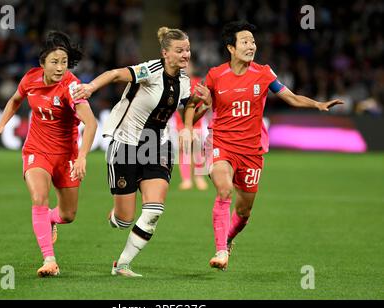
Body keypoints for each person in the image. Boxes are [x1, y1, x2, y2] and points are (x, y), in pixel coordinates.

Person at [187, 21, 344, 271]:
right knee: (224, 190)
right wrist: (203, 105)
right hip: (221, 142)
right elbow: (194, 117)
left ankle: (227, 240)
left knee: (245, 210)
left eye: (253, 41)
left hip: (251, 150)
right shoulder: (215, 75)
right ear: (231, 47)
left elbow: (290, 97)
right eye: (245, 41)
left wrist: (317, 104)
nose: (252, 45)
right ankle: (220, 251)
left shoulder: (264, 73)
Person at [73, 27, 210, 277]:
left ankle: (122, 264)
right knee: (124, 220)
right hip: (125, 143)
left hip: (156, 145)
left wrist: (194, 118)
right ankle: (117, 214)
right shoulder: (150, 70)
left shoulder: (185, 81)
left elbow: (188, 105)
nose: (186, 55)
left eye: (188, 50)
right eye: (179, 50)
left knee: (154, 210)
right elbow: (115, 74)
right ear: (165, 53)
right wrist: (90, 88)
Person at [0, 31, 98, 277]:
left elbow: (91, 123)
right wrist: (2, 124)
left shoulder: (72, 87)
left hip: (67, 155)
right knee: (39, 197)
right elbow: (15, 100)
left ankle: (51, 219)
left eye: (64, 63)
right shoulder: (31, 79)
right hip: (37, 150)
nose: (60, 68)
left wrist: (82, 156)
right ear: (42, 64)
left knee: (68, 215)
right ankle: (49, 260)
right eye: (55, 62)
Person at [171, 61, 209, 191]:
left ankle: (199, 177)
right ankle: (186, 179)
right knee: (184, 150)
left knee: (198, 149)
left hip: (197, 121)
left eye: (188, 66)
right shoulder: (176, 83)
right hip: (180, 122)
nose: (186, 68)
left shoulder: (198, 83)